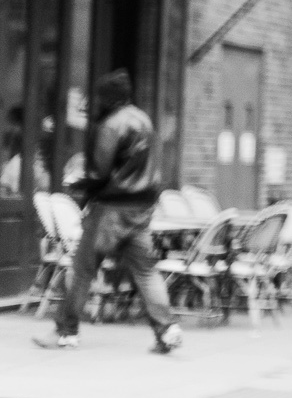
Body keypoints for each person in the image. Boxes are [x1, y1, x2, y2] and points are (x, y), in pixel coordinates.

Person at [33, 71, 182, 354]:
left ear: (108, 97)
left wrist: (79, 183)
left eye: (100, 96)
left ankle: (66, 332)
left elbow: (99, 171)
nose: (96, 101)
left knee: (81, 269)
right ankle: (167, 329)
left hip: (112, 209)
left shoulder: (112, 125)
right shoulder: (143, 120)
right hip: (142, 208)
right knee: (146, 271)